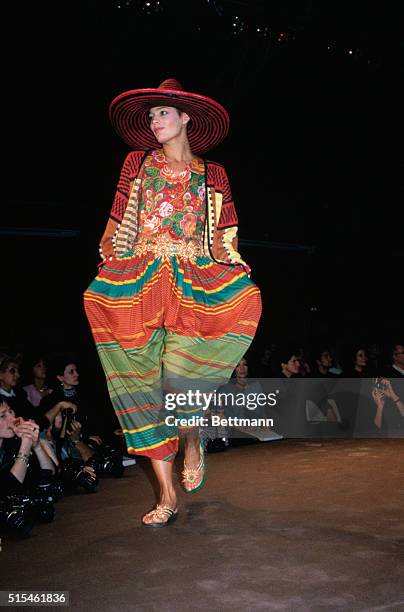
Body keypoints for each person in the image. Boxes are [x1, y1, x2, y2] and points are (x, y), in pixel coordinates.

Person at [84, 78, 262, 527]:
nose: (153, 121)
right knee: (141, 388)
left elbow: (225, 233)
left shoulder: (213, 173)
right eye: (149, 116)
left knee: (180, 379)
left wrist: (233, 266)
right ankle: (165, 495)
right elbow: (118, 218)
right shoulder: (137, 163)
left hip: (193, 283)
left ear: (185, 118)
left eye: (161, 113)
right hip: (139, 280)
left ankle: (193, 438)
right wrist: (111, 260)